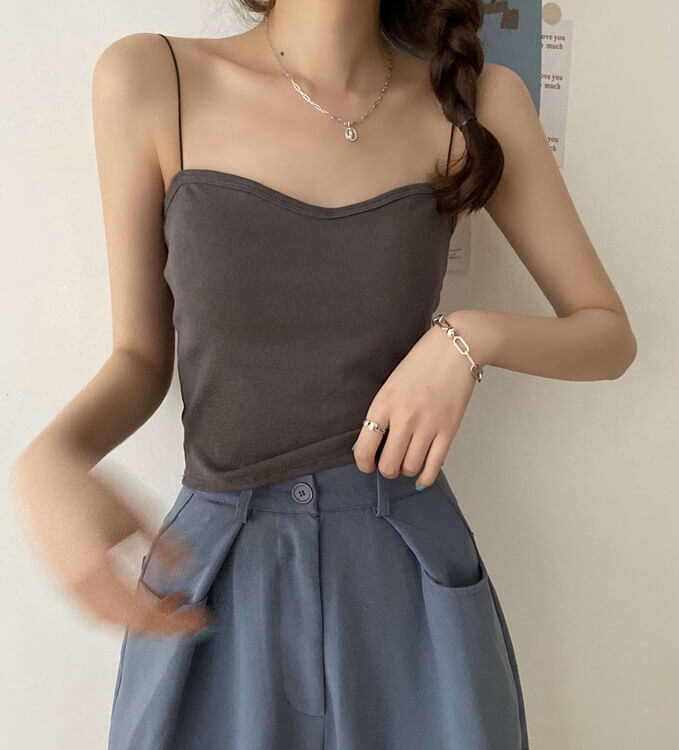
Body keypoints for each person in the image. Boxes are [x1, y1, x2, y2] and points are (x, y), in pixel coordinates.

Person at [11, 1, 637, 748]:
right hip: (217, 585)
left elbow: (608, 334)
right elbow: (141, 359)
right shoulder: (151, 78)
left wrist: (468, 338)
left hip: (406, 586)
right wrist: (51, 460)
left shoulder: (480, 103)